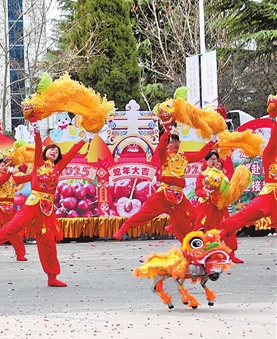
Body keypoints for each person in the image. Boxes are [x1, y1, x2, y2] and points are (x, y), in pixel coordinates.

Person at [0, 122, 89, 287]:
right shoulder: (39, 164)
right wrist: (36, 129)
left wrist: (86, 138)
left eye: (57, 151)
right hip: (33, 203)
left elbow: (72, 153)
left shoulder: (58, 168)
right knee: (12, 227)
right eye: (51, 149)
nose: (54, 151)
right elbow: (39, 143)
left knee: (47, 241)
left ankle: (52, 277)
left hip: (47, 209)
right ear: (44, 153)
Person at [113, 131, 216, 242]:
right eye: (172, 142)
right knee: (145, 214)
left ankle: (187, 246)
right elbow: (161, 148)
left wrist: (213, 141)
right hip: (164, 194)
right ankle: (123, 229)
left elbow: (199, 155)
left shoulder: (183, 158)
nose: (176, 144)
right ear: (167, 144)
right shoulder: (165, 156)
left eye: (177, 141)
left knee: (192, 217)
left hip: (178, 197)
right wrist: (166, 131)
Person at [218, 100, 277, 238]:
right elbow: (274, 139)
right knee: (246, 214)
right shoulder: (269, 155)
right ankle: (221, 233)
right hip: (269, 194)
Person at [190, 151, 243, 263]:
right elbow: (198, 191)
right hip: (207, 206)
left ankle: (231, 254)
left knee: (228, 227)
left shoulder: (222, 176)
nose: (213, 162)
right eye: (211, 159)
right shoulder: (202, 176)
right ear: (207, 161)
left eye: (215, 159)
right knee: (203, 229)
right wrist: (207, 193)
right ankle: (198, 253)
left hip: (220, 206)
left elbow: (227, 190)